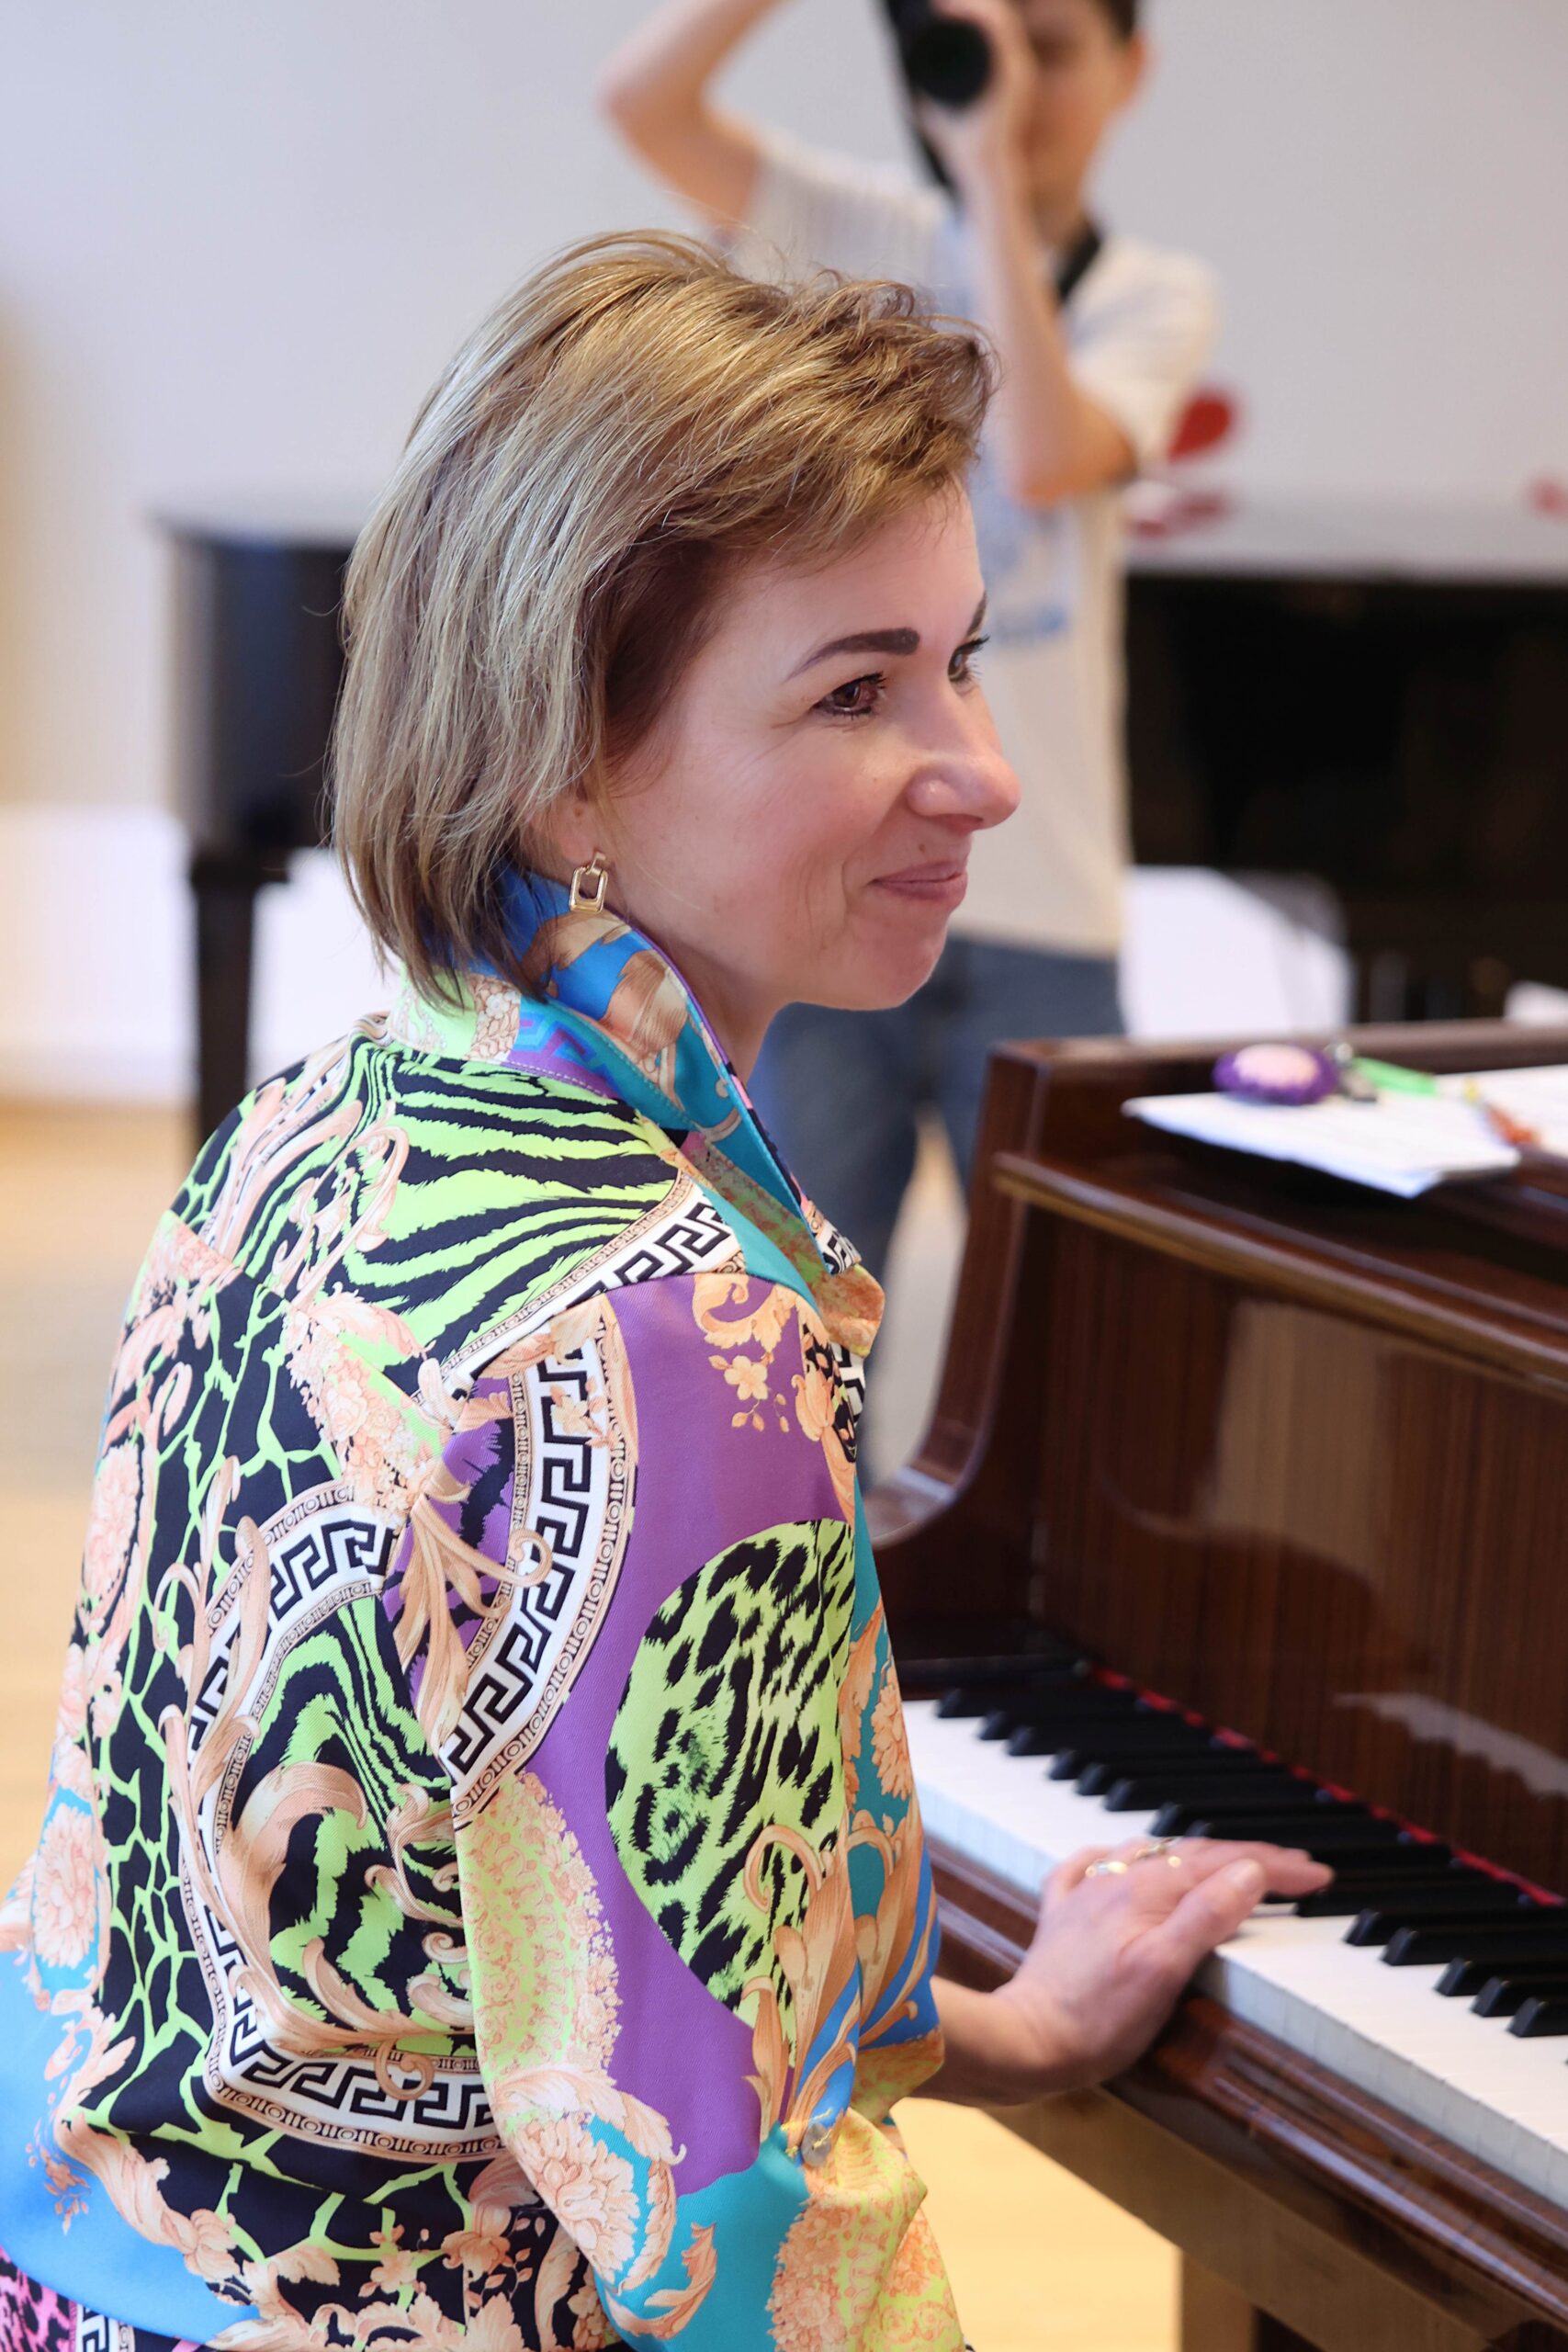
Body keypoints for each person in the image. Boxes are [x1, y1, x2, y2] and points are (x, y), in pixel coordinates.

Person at [0, 234, 1319, 2352]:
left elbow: (533, 1902)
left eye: (959, 658)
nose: (981, 769)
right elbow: (726, 2213)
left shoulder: (308, 1120)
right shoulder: (664, 1323)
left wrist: (996, 2024)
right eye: (855, 690)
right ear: (565, 765)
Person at [601, 0, 1220, 1283]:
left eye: (1053, 48)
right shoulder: (856, 227)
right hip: (836, 865)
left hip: (1047, 898)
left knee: (1066, 1308)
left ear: (1133, 69)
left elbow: (1040, 459)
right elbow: (640, 107)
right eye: (989, 44)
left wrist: (985, 172)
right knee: (797, 1293)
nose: (1017, 83)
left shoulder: (1154, 296)